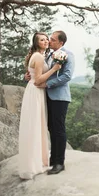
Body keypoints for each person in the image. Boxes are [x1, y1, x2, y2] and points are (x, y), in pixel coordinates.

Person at [17, 32, 61, 180]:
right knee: (35, 126)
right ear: (36, 43)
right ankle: (33, 164)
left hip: (36, 92)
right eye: (42, 40)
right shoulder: (38, 56)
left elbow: (33, 75)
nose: (46, 41)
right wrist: (54, 69)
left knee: (35, 126)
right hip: (36, 91)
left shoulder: (39, 55)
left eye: (47, 39)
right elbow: (37, 80)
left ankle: (37, 161)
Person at [37, 30, 74, 175]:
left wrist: (48, 84)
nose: (49, 41)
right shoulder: (48, 55)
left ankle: (60, 163)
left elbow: (67, 76)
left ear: (61, 43)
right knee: (51, 128)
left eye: (52, 39)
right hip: (47, 97)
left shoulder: (68, 55)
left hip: (60, 97)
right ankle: (53, 159)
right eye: (49, 39)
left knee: (58, 129)